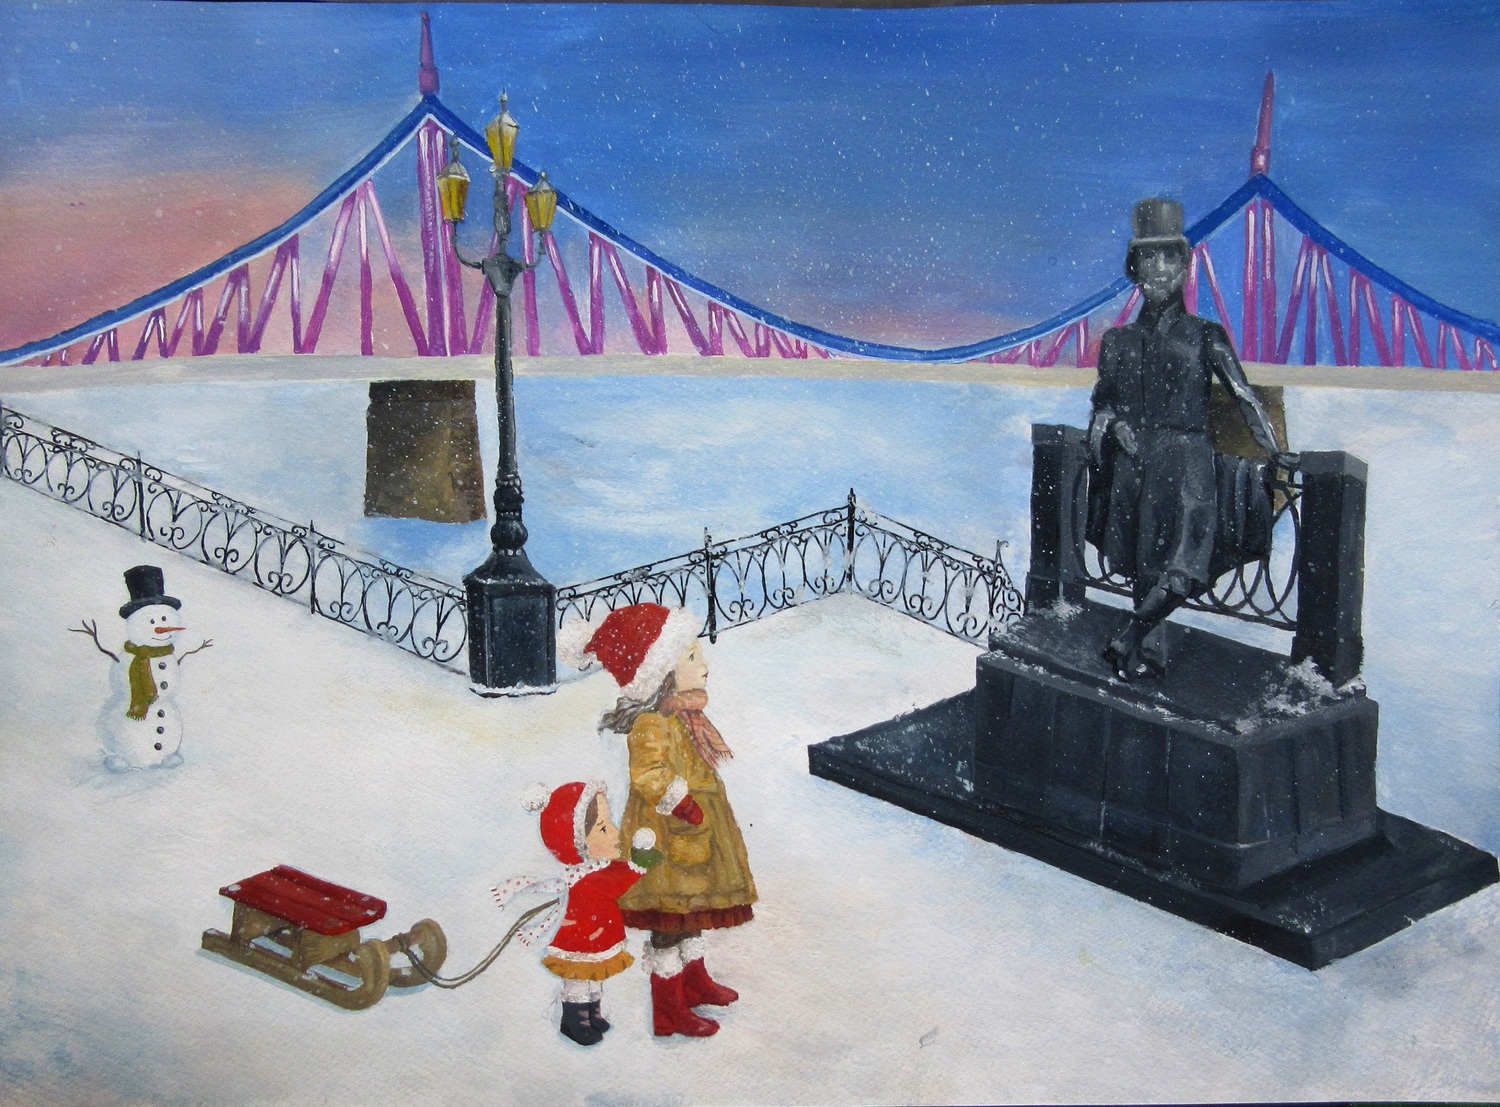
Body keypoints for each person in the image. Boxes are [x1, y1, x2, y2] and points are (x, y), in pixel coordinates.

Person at [1087, 197, 1289, 681]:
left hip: (1188, 464)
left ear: (1184, 266)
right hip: (1137, 464)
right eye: (1148, 257)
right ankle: (1146, 657)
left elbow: (1244, 397)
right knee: (1145, 565)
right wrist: (1113, 425)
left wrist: (1276, 452)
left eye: (1169, 256)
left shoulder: (1205, 334)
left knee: (1185, 569)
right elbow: (1102, 404)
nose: (1159, 267)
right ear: (1135, 268)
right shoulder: (1116, 342)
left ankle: (1127, 638)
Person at [564, 602, 757, 1039]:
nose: (703, 664)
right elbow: (648, 773)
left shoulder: (684, 716)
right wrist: (682, 803)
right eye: (690, 656)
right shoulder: (652, 722)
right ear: (662, 673)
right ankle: (668, 1008)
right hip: (667, 839)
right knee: (670, 921)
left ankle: (694, 980)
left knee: (692, 913)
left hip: (695, 834)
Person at [502, 780, 661, 1047]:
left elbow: (615, 874)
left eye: (609, 823)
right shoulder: (586, 877)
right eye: (603, 828)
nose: (615, 833)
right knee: (579, 978)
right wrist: (637, 865)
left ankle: (592, 1013)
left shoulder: (597, 868)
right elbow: (615, 884)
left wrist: (635, 863)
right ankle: (574, 1020)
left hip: (597, 936)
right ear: (578, 843)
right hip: (581, 940)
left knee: (594, 976)